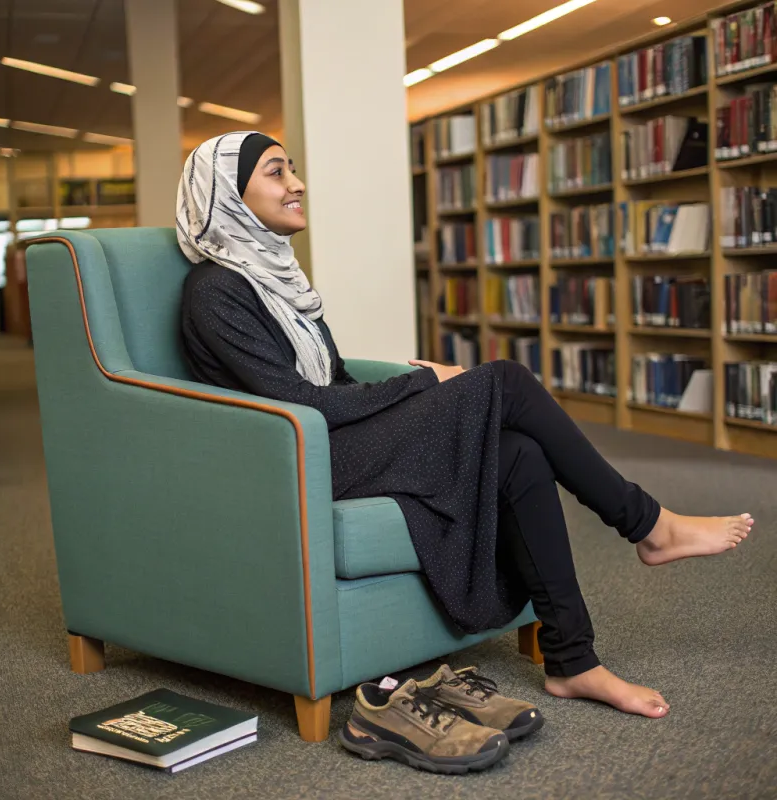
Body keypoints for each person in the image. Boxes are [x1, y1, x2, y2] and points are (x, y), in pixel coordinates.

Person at [177, 131, 753, 720]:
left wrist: (414, 391)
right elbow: (299, 405)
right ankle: (648, 526)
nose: (297, 183)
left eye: (292, 168)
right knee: (503, 380)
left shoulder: (275, 278)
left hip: (331, 441)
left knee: (519, 454)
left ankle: (573, 661)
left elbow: (334, 380)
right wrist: (425, 385)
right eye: (276, 172)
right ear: (227, 193)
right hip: (301, 456)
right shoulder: (216, 291)